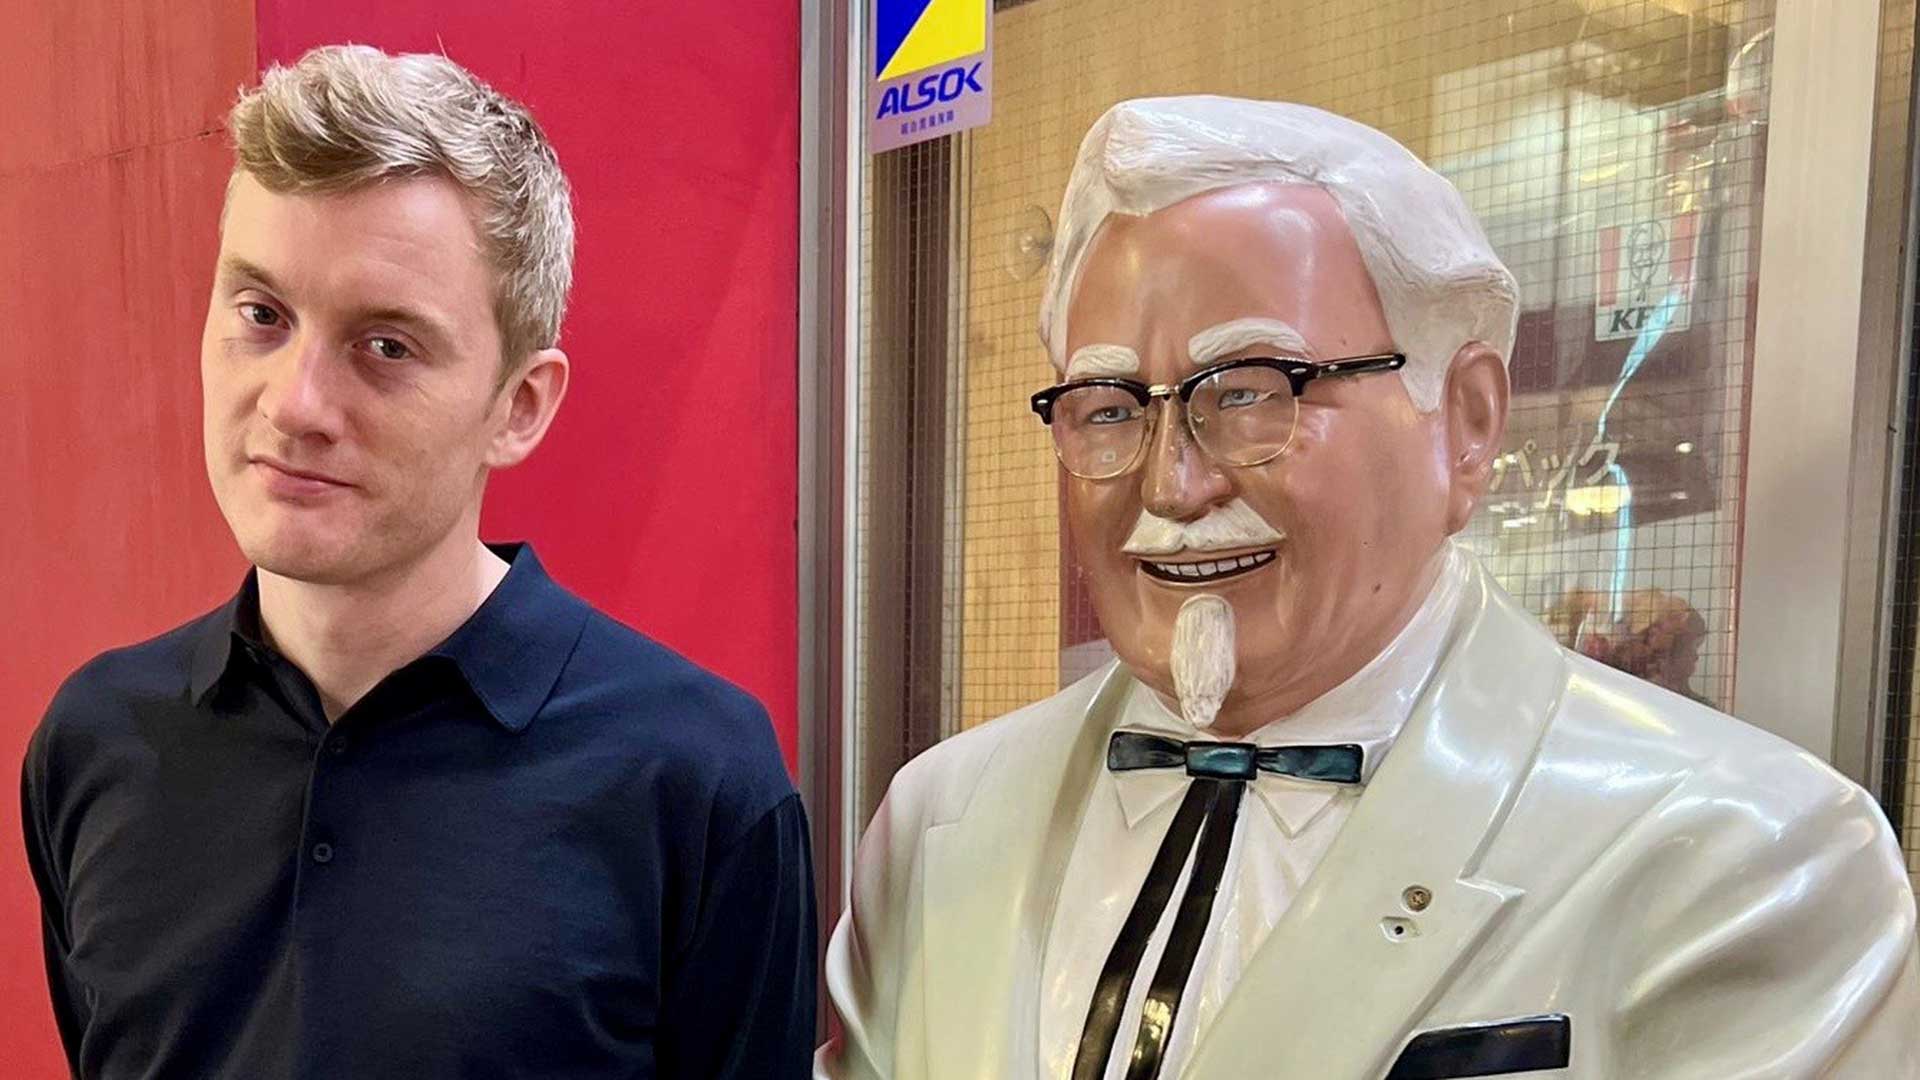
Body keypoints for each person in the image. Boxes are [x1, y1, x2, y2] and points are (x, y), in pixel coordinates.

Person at [817, 95, 1918, 1079]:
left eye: (1251, 391)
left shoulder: (1749, 856)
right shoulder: (937, 826)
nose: (1173, 480)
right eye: (1109, 407)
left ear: (1469, 422)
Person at [22, 45, 814, 1079]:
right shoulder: (94, 742)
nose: (295, 404)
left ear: (520, 407)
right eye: (262, 315)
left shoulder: (696, 779)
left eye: (385, 345)